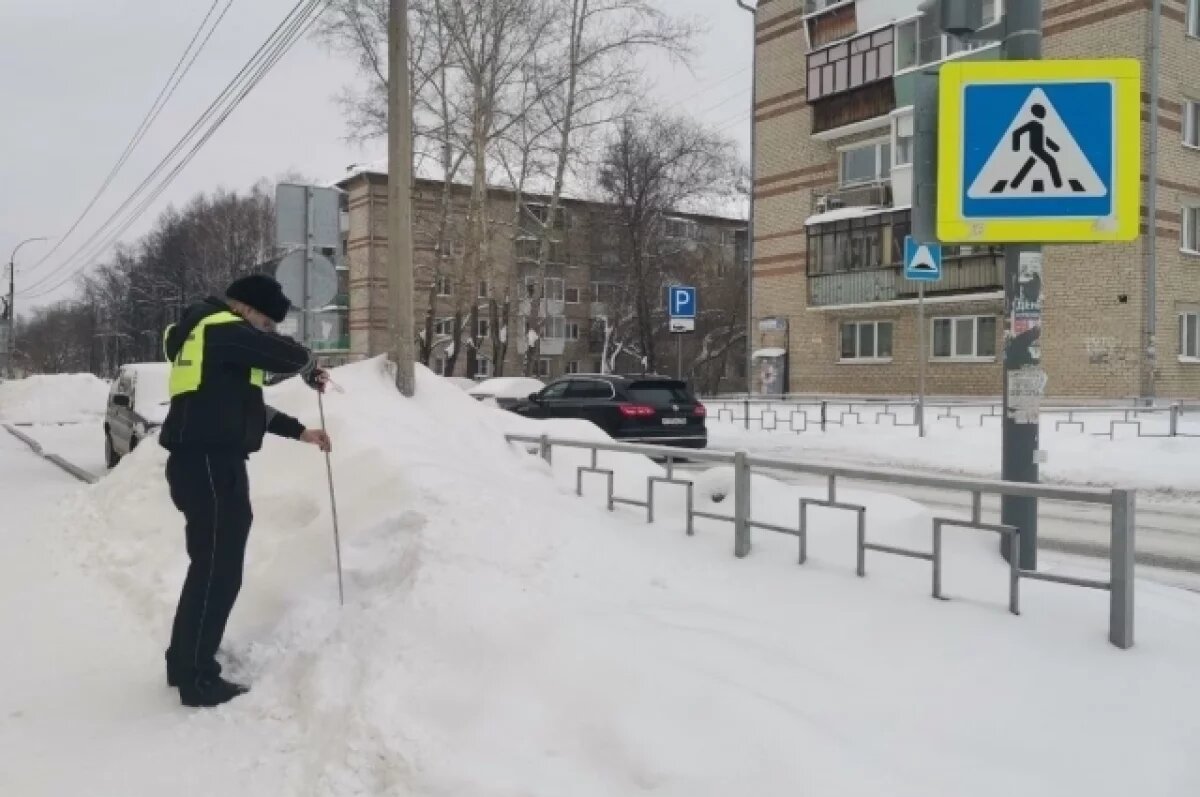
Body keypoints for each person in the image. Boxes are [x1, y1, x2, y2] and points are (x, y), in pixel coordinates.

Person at [159, 274, 332, 708]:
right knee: (219, 571)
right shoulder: (219, 328)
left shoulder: (209, 337)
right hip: (211, 466)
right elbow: (285, 355)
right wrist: (309, 363)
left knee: (209, 567)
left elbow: (244, 404)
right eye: (267, 323)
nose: (268, 331)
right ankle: (198, 679)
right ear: (246, 309)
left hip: (200, 464)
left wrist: (299, 432)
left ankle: (184, 661)